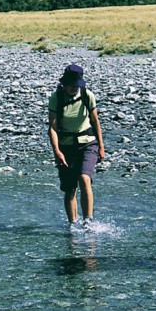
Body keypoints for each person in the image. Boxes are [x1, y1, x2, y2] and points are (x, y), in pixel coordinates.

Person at [48, 63, 105, 226]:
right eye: (71, 85)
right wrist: (57, 151)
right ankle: (73, 225)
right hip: (65, 146)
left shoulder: (88, 95)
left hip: (87, 143)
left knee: (84, 177)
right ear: (64, 84)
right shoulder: (56, 98)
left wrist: (101, 146)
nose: (74, 88)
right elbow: (52, 128)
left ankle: (88, 221)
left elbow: (95, 121)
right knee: (70, 189)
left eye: (77, 85)